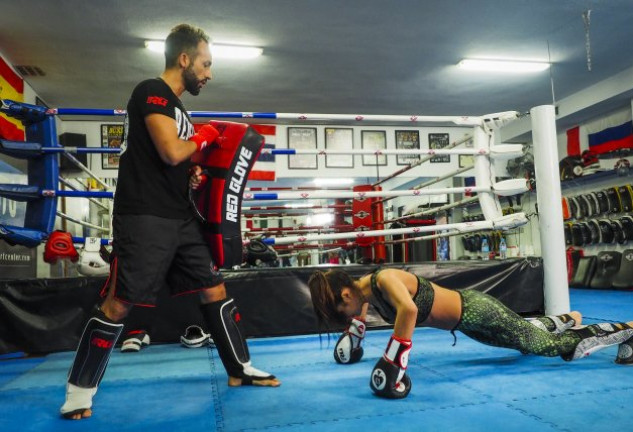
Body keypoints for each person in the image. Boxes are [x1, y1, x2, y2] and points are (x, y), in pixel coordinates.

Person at [60, 24, 279, 420]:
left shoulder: (178, 108)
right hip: (145, 216)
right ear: (184, 59)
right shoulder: (151, 91)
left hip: (178, 217)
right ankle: (79, 390)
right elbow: (171, 151)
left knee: (213, 286)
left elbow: (177, 162)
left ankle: (239, 369)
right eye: (205, 64)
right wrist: (206, 137)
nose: (209, 74)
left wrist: (191, 175)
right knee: (119, 303)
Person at [308, 267, 633, 399]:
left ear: (346, 296)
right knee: (521, 340)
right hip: (469, 325)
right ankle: (565, 317)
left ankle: (627, 330)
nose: (345, 318)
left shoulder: (385, 279)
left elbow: (408, 310)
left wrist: (394, 360)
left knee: (553, 348)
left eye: (341, 313)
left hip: (479, 312)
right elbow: (361, 312)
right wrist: (353, 339)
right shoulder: (363, 292)